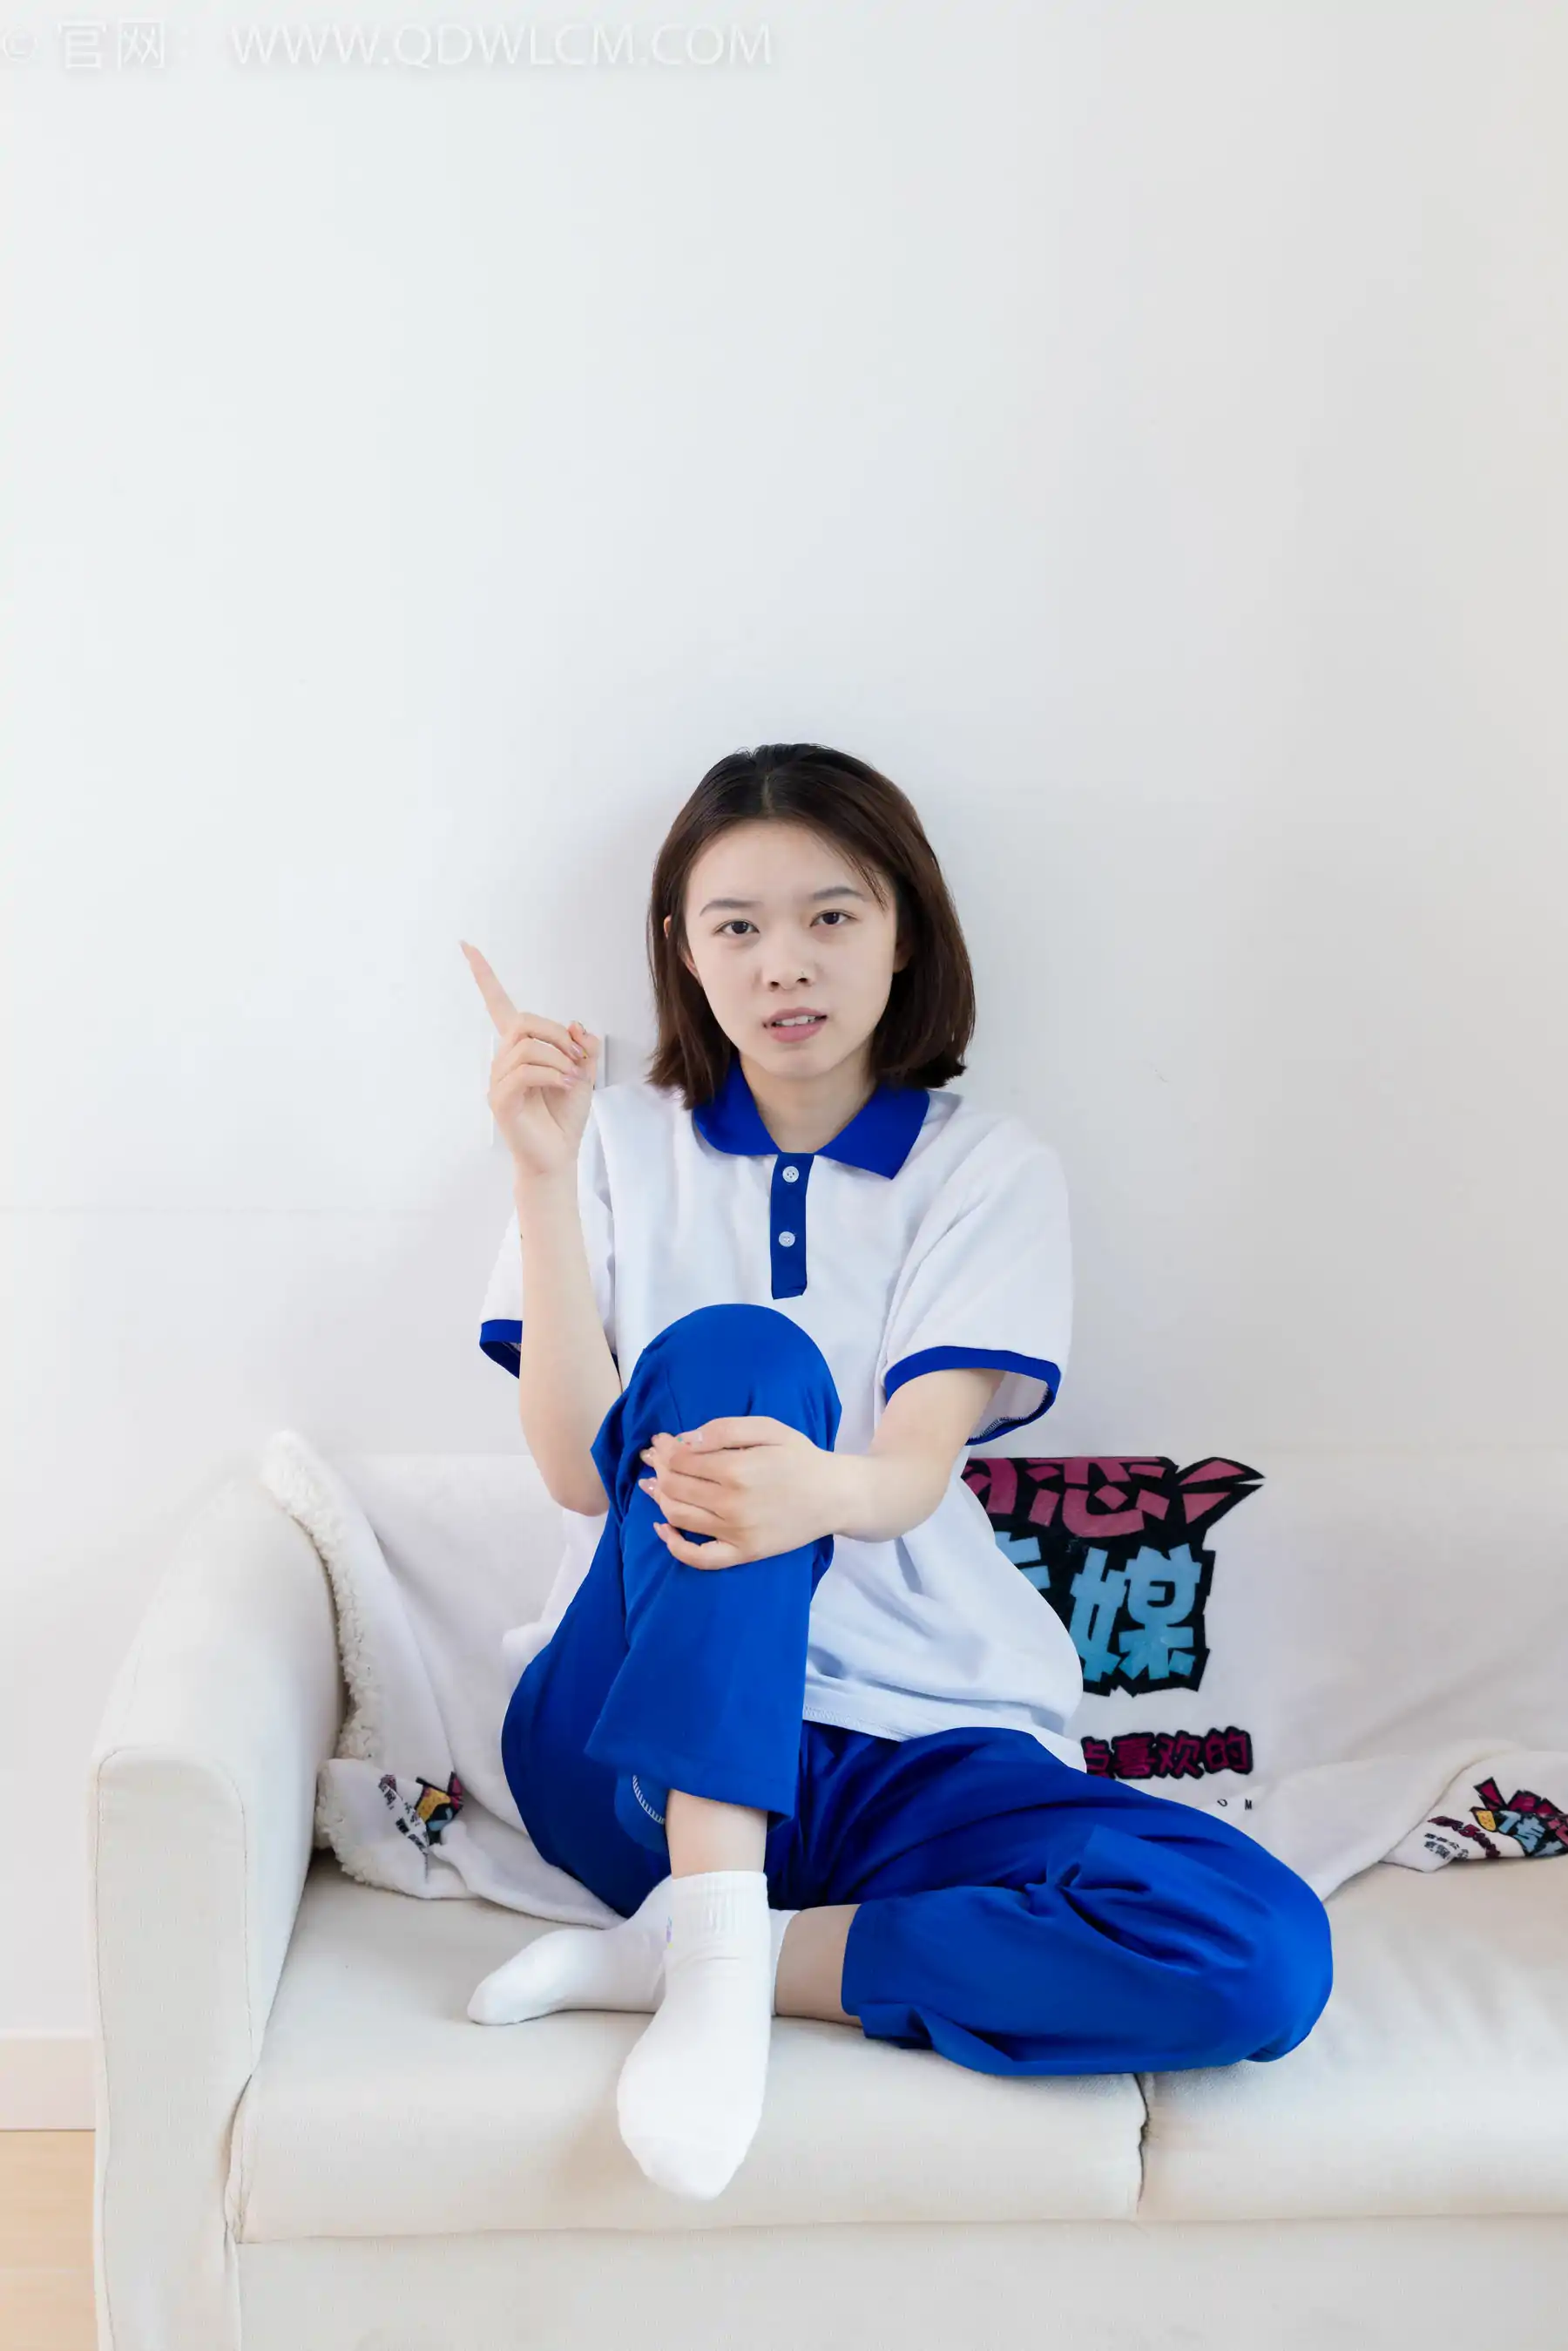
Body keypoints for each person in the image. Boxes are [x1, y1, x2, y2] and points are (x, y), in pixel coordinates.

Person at [459, 742, 1333, 2205]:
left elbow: (913, 1469)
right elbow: (575, 1471)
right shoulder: (611, 1145)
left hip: (907, 1745)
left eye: (831, 915)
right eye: (736, 925)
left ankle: (717, 1954)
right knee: (739, 1350)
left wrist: (819, 1491)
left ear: (903, 930)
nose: (782, 962)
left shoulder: (985, 1171)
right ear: (683, 949)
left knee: (1258, 1949)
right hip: (622, 1747)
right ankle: (711, 1915)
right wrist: (541, 1175)